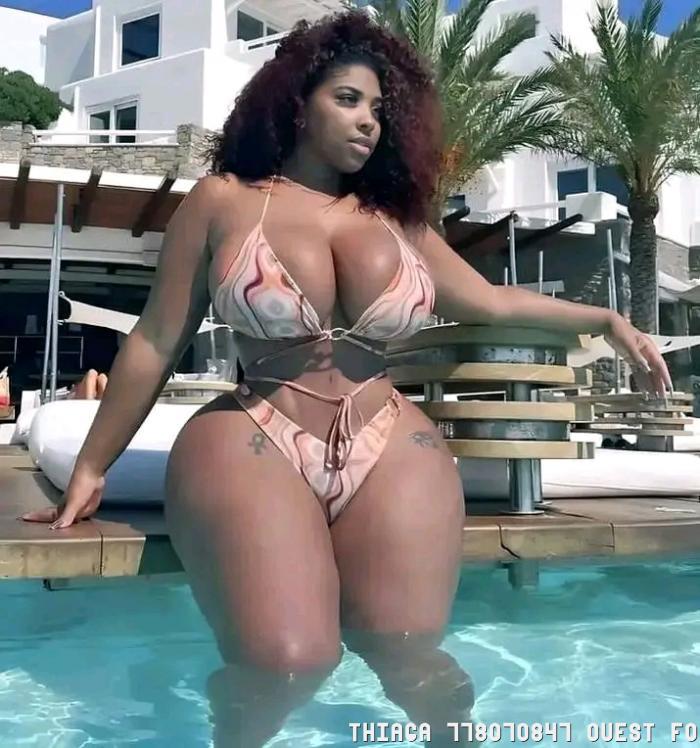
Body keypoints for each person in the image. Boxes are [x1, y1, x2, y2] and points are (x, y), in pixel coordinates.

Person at [21, 10, 672, 746]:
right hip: (255, 432)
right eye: (348, 99)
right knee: (286, 662)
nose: (369, 121)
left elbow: (490, 301)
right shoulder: (224, 199)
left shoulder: (396, 220)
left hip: (389, 438)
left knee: (408, 652)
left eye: (379, 109)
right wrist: (92, 466)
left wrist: (605, 318)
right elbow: (156, 339)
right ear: (298, 104)